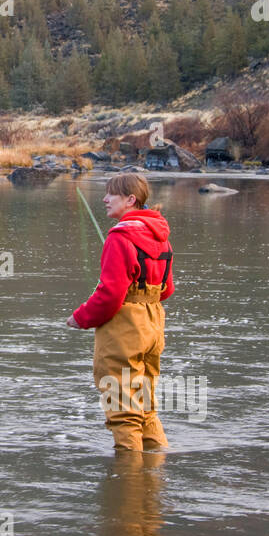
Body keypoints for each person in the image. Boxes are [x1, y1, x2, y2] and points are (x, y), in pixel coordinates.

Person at [67, 173, 175, 452]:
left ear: (130, 199)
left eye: (111, 194)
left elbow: (110, 295)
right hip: (153, 323)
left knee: (123, 408)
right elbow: (166, 290)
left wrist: (80, 318)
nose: (104, 199)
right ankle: (155, 472)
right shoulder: (161, 235)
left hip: (125, 328)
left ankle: (129, 483)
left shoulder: (119, 236)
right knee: (146, 406)